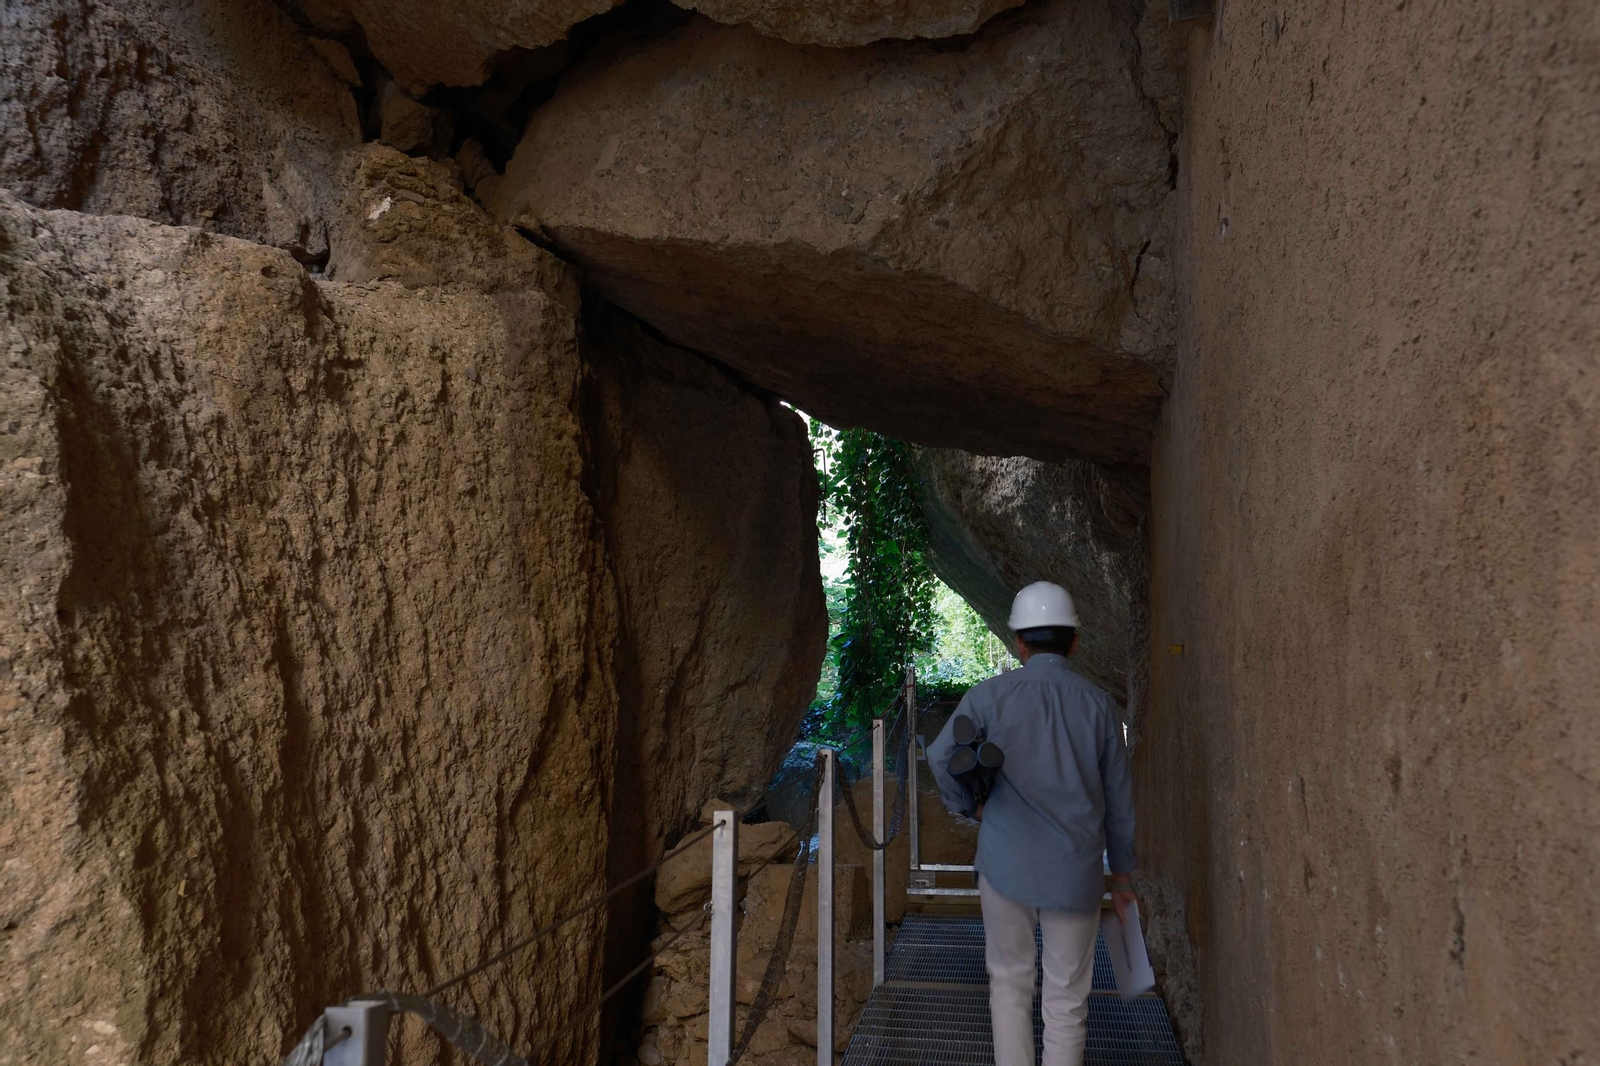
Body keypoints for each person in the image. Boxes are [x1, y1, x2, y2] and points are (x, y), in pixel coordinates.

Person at [926, 580, 1137, 1066]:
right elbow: (1120, 799)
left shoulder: (987, 697)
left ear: (1019, 642)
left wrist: (970, 808)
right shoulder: (1100, 705)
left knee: (1009, 986)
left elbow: (940, 757)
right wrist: (1124, 877)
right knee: (1067, 1001)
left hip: (1005, 864)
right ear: (1075, 642)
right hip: (1075, 871)